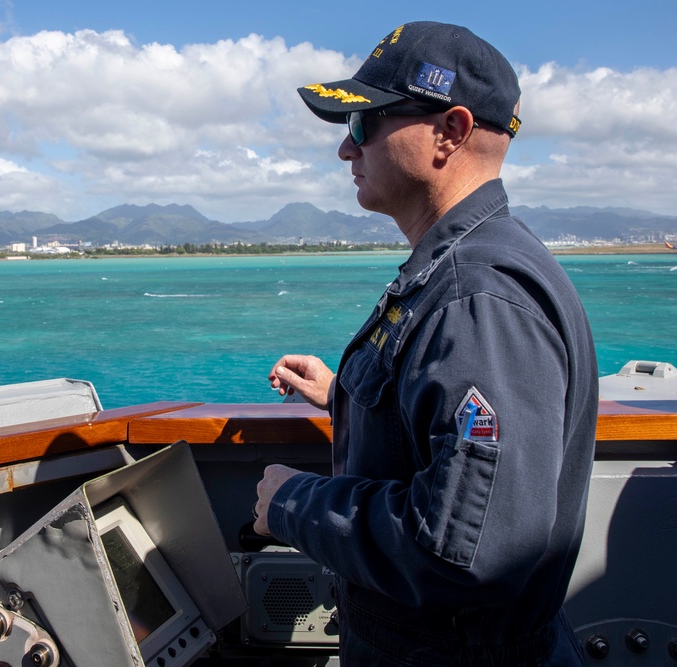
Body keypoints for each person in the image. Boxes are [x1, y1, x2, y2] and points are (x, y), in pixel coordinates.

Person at [253, 21, 599, 666]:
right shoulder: (470, 267)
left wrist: (294, 505)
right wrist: (350, 399)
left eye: (363, 125)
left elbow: (467, 551)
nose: (345, 150)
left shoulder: (478, 297)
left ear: (452, 131)